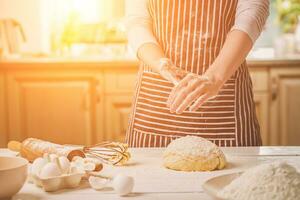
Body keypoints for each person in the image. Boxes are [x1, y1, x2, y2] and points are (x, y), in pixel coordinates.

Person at [125, 0, 269, 147]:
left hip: (224, 109)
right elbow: (137, 22)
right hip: (154, 108)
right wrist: (161, 64)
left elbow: (250, 17)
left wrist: (215, 77)